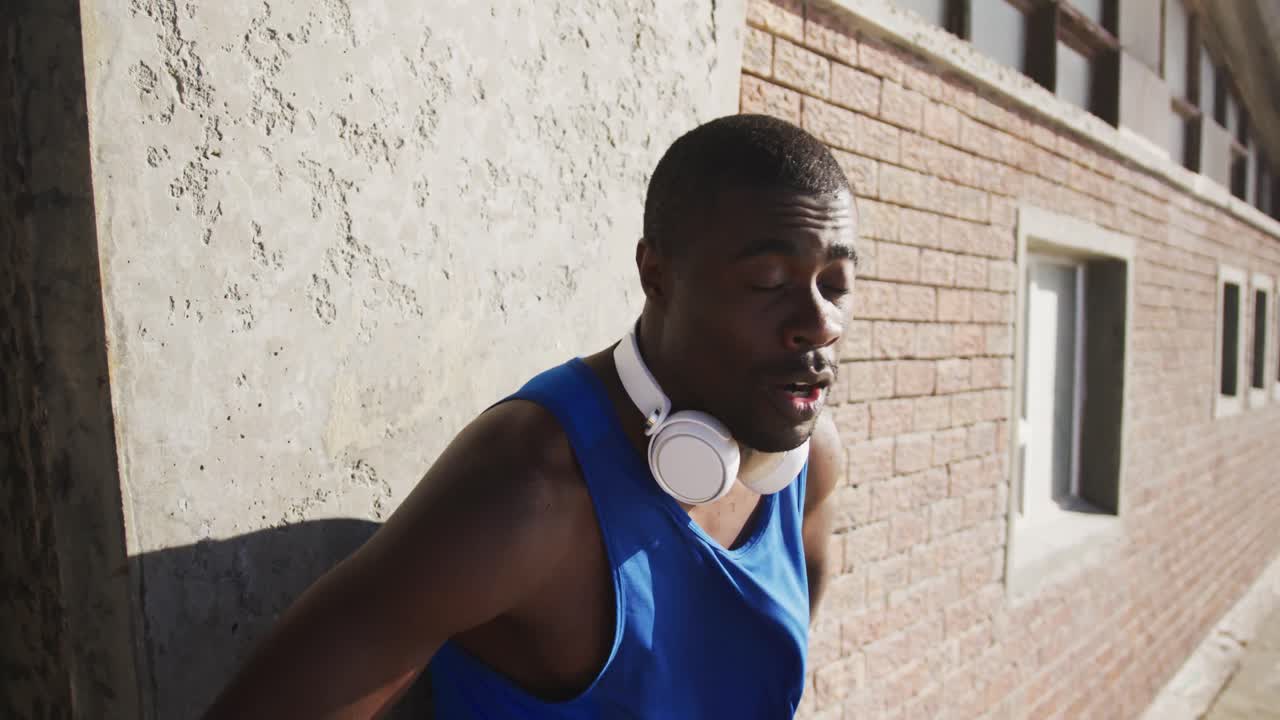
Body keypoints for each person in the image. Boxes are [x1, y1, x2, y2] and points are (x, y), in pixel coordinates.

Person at [203, 114, 859, 719]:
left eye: (835, 284)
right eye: (769, 281)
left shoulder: (808, 462)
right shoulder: (525, 494)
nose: (820, 323)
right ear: (656, 273)